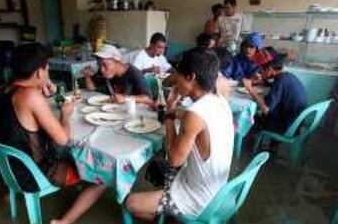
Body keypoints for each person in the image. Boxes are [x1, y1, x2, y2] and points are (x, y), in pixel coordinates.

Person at [0, 43, 106, 224]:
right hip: (34, 173)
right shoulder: (31, 96)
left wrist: (44, 91)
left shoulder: (2, 90)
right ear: (38, 72)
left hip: (9, 167)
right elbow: (62, 139)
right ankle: (63, 222)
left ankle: (10, 193)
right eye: (46, 68)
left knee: (71, 153)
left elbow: (21, 119)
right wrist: (65, 114)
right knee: (101, 176)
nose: (48, 73)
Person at [125, 50, 234, 221]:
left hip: (198, 199)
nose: (175, 82)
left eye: (178, 76)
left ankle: (175, 218)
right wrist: (178, 112)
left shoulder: (195, 114)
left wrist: (169, 114)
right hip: (218, 188)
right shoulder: (219, 100)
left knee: (131, 203)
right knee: (157, 169)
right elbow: (198, 120)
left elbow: (174, 159)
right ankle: (166, 213)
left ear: (190, 77)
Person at [244, 53, 308, 133]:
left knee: (248, 119)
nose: (260, 73)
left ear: (270, 69)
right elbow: (277, 87)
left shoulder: (280, 81)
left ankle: (253, 143)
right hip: (296, 121)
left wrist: (250, 89)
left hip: (287, 125)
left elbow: (266, 110)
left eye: (261, 71)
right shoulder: (287, 76)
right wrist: (262, 81)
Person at [84, 44, 155, 106]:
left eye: (105, 65)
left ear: (117, 61)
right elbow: (92, 90)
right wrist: (87, 76)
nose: (102, 69)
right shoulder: (105, 71)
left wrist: (126, 98)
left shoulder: (133, 73)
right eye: (99, 65)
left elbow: (148, 98)